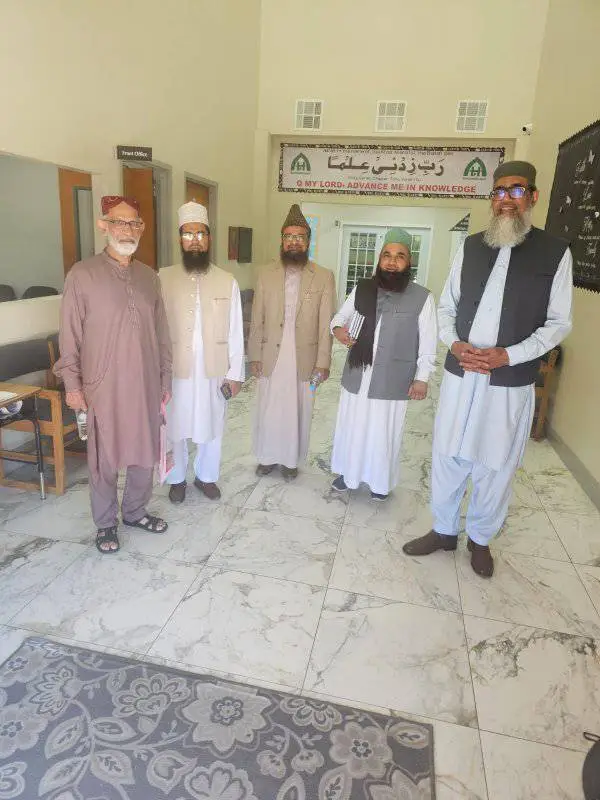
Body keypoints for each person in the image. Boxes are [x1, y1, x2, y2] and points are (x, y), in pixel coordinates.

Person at [403, 161, 573, 577]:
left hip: (507, 380)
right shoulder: (471, 246)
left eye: (516, 190)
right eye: (499, 191)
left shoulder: (555, 252)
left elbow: (559, 323)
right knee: (448, 453)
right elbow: (447, 307)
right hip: (462, 373)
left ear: (532, 197)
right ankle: (444, 531)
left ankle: (480, 540)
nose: (506, 199)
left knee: (495, 461)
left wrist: (508, 355)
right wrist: (455, 343)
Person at [55, 195, 172, 554]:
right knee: (103, 459)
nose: (127, 229)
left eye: (134, 223)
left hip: (145, 384)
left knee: (144, 452)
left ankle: (135, 511)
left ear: (142, 228)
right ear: (103, 225)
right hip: (101, 385)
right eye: (119, 222)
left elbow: (162, 333)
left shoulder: (149, 277)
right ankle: (106, 523)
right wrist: (72, 385)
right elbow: (69, 335)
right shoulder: (82, 274)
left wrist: (165, 378)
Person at [330, 229, 437, 500]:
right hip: (359, 372)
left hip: (393, 376)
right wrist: (338, 330)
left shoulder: (422, 297)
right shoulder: (363, 288)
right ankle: (348, 474)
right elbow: (339, 318)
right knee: (352, 426)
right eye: (387, 255)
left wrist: (422, 378)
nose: (392, 262)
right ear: (379, 259)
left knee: (383, 431)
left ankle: (380, 483)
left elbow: (428, 342)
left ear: (409, 262)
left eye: (399, 256)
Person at [160, 201, 244, 502]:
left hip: (214, 368)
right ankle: (177, 479)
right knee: (173, 425)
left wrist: (235, 374)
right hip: (175, 368)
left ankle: (206, 477)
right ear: (179, 239)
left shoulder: (227, 280)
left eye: (200, 233)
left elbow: (236, 330)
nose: (195, 240)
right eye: (188, 233)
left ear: (209, 238)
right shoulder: (162, 278)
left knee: (213, 424)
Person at [248, 204, 335, 479]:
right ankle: (266, 457)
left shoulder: (324, 276)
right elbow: (257, 318)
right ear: (282, 240)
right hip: (271, 353)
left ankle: (290, 461)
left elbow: (326, 324)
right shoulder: (265, 273)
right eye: (289, 236)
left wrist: (323, 363)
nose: (294, 242)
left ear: (308, 242)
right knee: (268, 407)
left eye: (300, 237)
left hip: (304, 357)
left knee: (300, 408)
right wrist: (254, 355)